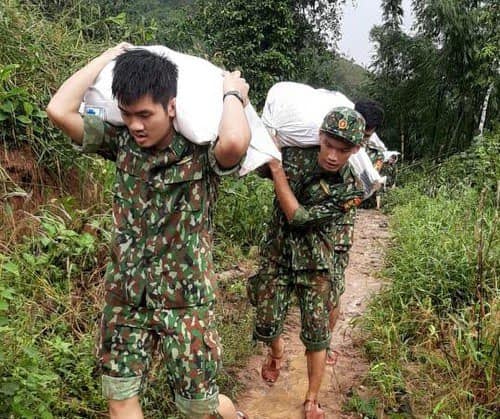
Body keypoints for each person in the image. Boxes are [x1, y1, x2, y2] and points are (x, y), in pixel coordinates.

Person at [47, 43, 251, 419]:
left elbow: (236, 142)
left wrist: (233, 92)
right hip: (126, 297)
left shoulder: (199, 153)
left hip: (186, 302)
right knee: (120, 395)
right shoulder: (120, 144)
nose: (136, 125)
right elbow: (58, 110)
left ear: (171, 107)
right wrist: (108, 56)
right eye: (127, 114)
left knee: (199, 407)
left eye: (145, 114)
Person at [248, 107, 365, 419]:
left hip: (316, 262)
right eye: (328, 145)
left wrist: (276, 170)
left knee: (317, 334)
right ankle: (277, 352)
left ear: (355, 150)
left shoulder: (351, 189)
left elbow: (299, 218)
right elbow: (253, 157)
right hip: (277, 253)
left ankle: (312, 398)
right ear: (320, 137)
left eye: (342, 150)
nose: (332, 156)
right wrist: (267, 146)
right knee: (266, 321)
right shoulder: (295, 155)